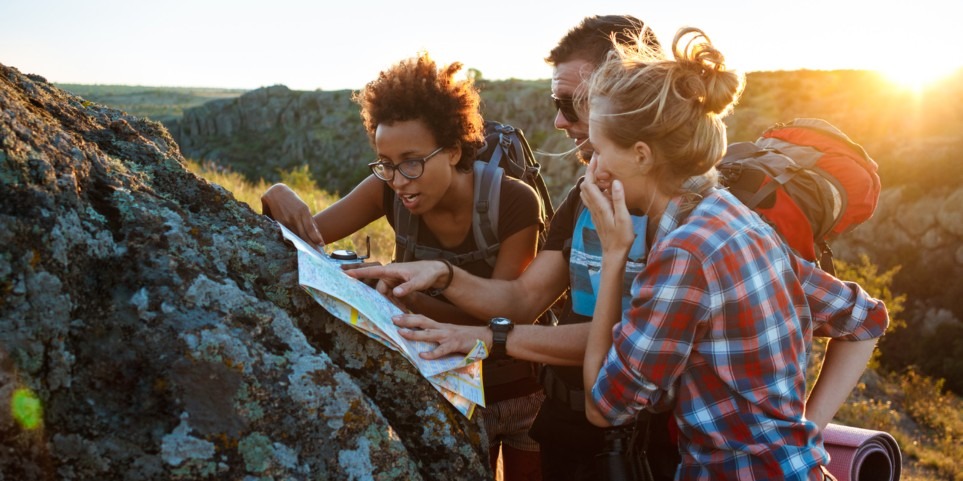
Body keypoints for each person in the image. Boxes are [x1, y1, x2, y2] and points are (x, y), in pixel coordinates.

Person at [348, 16, 681, 481]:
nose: (558, 120)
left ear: (627, 97)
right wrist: (443, 275)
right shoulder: (582, 198)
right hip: (566, 426)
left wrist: (490, 337)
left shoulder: (688, 218)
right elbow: (523, 299)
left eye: (573, 103)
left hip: (654, 439)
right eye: (555, 102)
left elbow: (629, 341)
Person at [575, 27, 888, 479]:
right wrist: (804, 434)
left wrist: (613, 254)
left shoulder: (685, 253)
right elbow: (865, 319)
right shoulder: (731, 215)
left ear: (642, 155)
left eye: (601, 150)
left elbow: (604, 407)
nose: (595, 168)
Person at [260, 53, 545, 480]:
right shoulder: (386, 189)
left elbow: (503, 315)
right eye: (386, 163)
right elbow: (307, 236)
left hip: (518, 394)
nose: (398, 179)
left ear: (452, 150)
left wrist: (407, 300)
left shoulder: (514, 201)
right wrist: (276, 197)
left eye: (412, 161)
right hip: (441, 388)